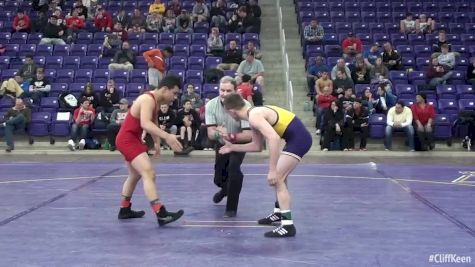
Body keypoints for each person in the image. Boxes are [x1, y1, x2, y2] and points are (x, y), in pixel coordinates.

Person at [219, 93, 313, 238]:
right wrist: (233, 147)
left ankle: (288, 226)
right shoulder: (254, 115)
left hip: (299, 140)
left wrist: (272, 170)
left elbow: (273, 138)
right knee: (280, 177)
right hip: (295, 138)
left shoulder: (255, 115)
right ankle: (278, 214)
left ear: (232, 111)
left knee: (278, 178)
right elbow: (257, 146)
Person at [115, 75, 184, 226]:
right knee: (148, 173)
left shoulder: (156, 101)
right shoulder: (147, 99)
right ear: (165, 89)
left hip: (132, 139)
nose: (175, 97)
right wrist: (168, 137)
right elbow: (145, 123)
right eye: (175, 93)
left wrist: (157, 143)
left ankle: (124, 209)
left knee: (134, 175)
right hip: (128, 140)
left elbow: (153, 122)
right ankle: (161, 213)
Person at [205, 76, 253, 218]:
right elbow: (210, 133)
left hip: (238, 143)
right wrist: (220, 135)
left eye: (228, 90)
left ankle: (231, 208)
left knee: (233, 169)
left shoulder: (245, 106)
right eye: (222, 90)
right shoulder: (211, 105)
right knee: (218, 178)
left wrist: (229, 136)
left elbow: (248, 135)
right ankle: (224, 189)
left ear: (235, 90)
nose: (224, 93)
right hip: (221, 143)